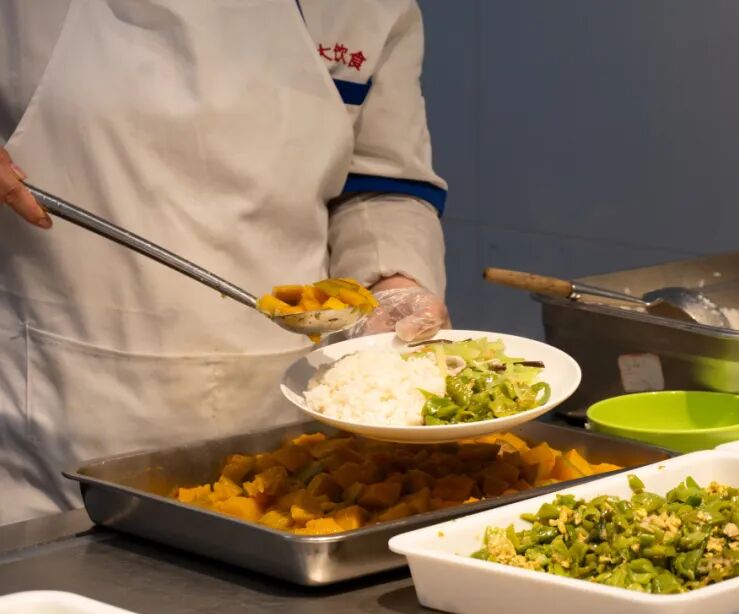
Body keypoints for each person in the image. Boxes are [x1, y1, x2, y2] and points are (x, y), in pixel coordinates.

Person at [0, 0, 450, 526]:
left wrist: (392, 282)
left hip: (286, 425)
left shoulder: (365, 10)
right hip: (60, 424)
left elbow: (380, 182)